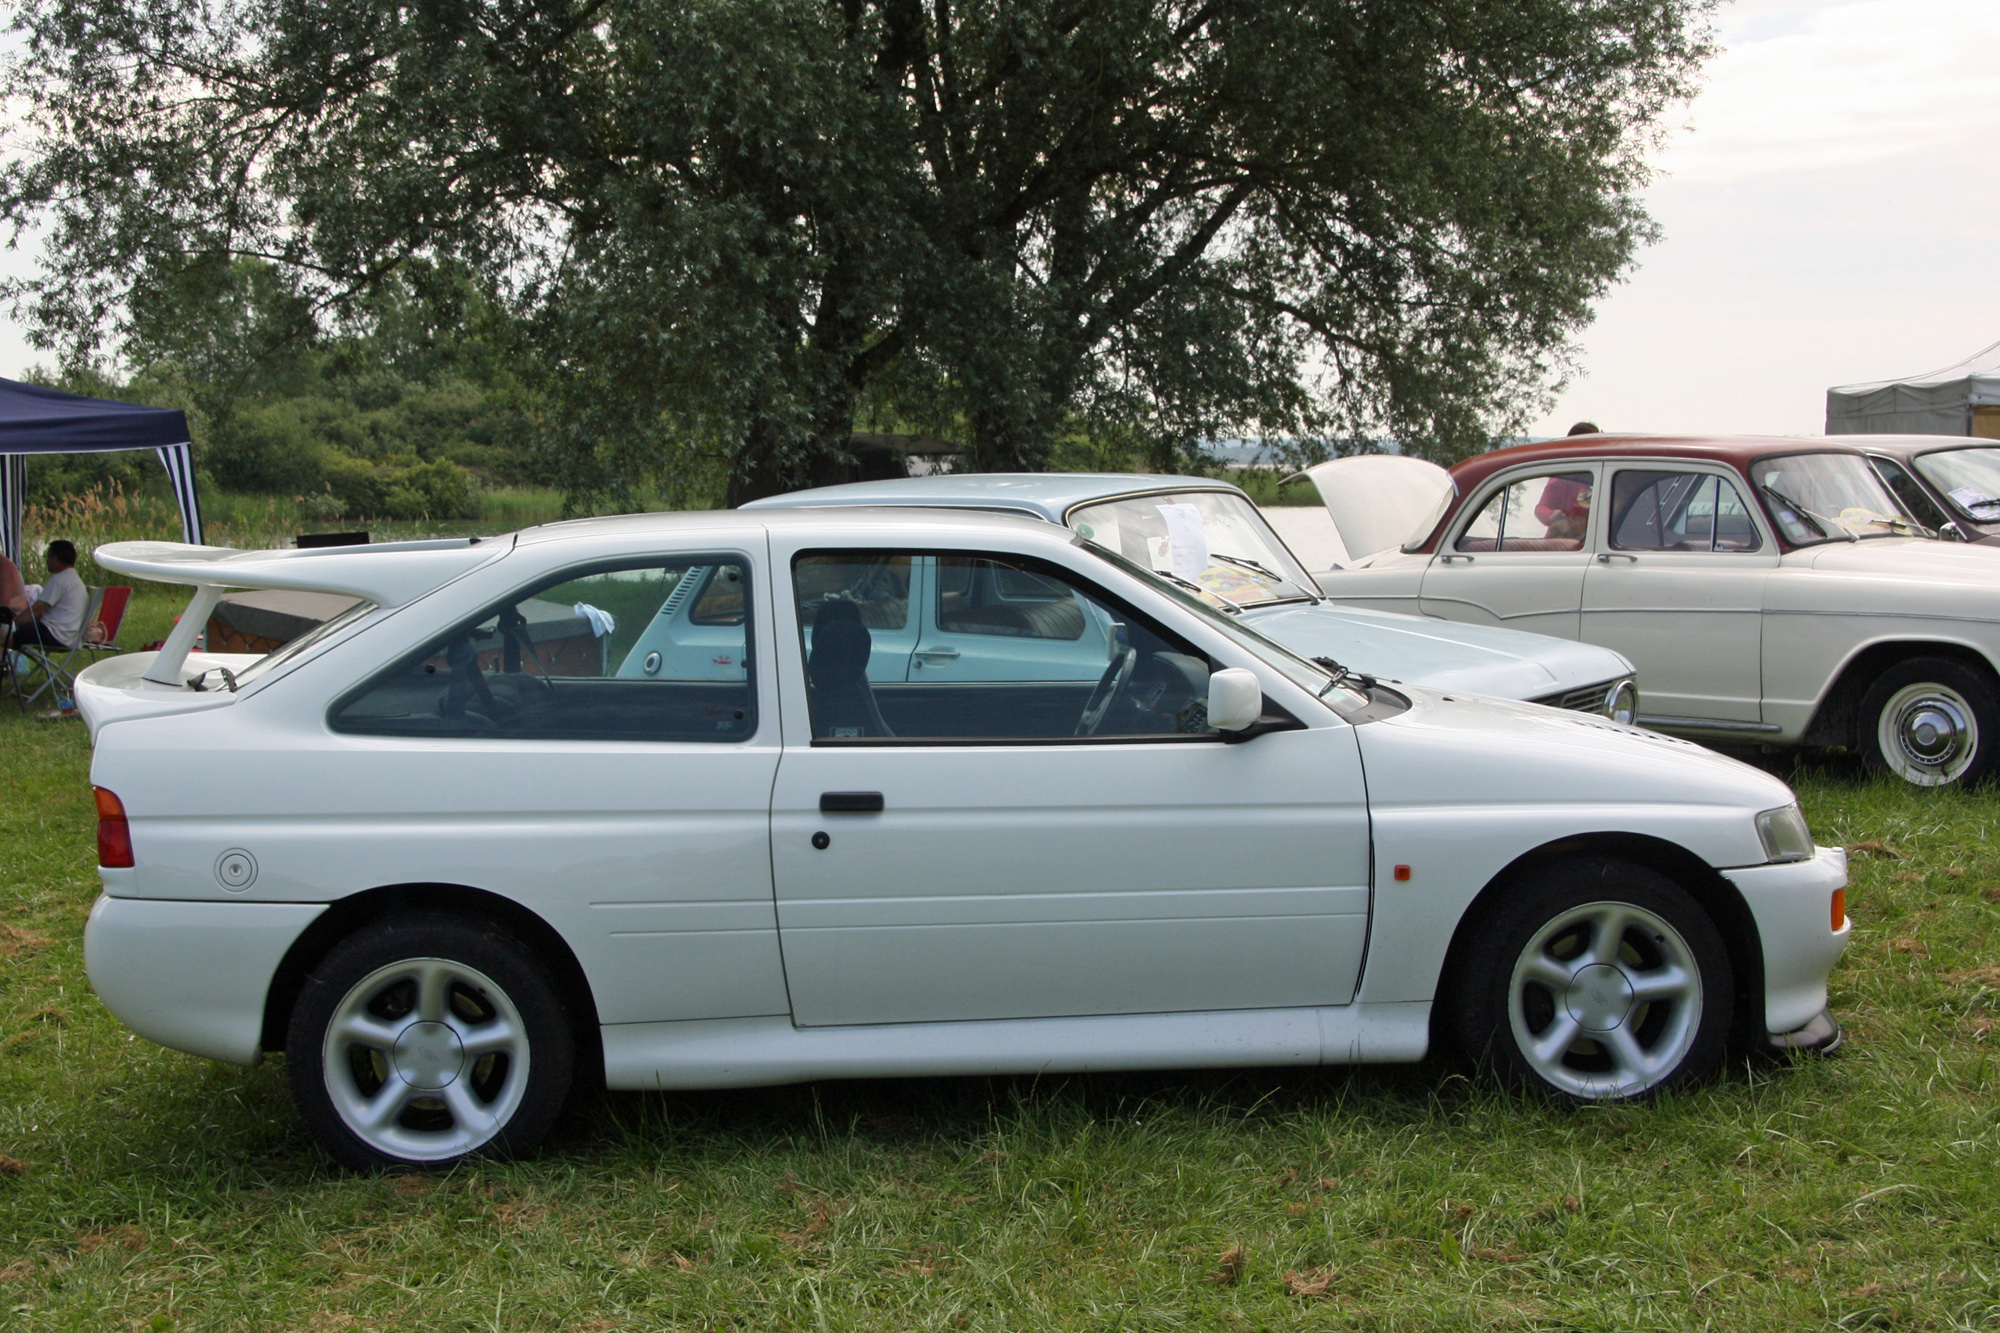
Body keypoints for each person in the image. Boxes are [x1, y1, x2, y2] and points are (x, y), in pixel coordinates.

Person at [10, 540, 87, 654]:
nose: (46, 560)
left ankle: (4, 666)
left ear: (55, 558)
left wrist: (13, 623)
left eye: (48, 556)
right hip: (68, 636)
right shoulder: (74, 579)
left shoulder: (59, 580)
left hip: (54, 634)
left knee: (5, 634)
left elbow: (36, 611)